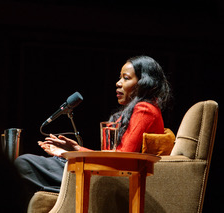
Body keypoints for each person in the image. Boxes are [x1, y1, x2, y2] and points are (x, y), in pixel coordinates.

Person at [14, 55, 171, 197]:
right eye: (120, 78)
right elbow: (114, 156)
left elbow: (123, 159)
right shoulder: (141, 109)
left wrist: (68, 154)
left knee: (24, 163)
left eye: (126, 78)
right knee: (27, 166)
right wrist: (75, 150)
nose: (118, 83)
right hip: (108, 171)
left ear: (144, 83)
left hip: (114, 177)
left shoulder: (144, 109)